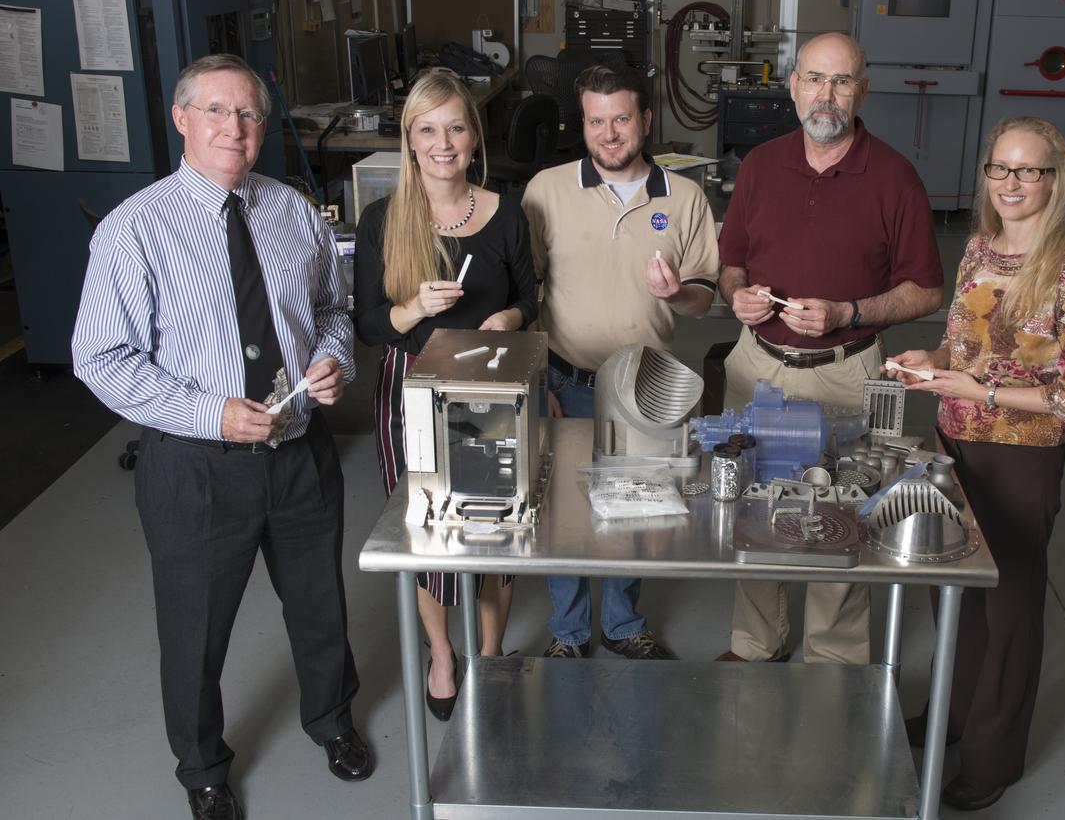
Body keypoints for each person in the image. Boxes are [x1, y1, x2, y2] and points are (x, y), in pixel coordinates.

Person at [71, 54, 370, 820]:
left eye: (248, 115)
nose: (234, 130)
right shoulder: (134, 230)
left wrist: (331, 357)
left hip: (300, 453)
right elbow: (100, 359)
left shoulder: (293, 210)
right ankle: (202, 767)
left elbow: (334, 308)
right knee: (194, 628)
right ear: (181, 119)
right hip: (197, 469)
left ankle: (332, 722)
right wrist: (211, 412)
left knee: (318, 605)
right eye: (216, 112)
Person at [885, 116, 1065, 810]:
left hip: (1022, 458)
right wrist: (936, 363)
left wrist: (977, 388)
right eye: (999, 169)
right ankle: (953, 716)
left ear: (1054, 180)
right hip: (954, 443)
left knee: (1009, 610)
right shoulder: (980, 248)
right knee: (953, 593)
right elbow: (963, 341)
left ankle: (992, 758)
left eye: (1028, 171)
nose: (1011, 183)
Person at [717, 32, 944, 666]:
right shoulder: (761, 166)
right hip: (759, 363)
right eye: (815, 79)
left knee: (842, 514)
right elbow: (730, 264)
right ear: (792, 86)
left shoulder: (894, 177)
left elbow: (926, 290)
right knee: (751, 506)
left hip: (847, 372)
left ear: (862, 91)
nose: (827, 95)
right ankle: (755, 643)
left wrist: (850, 312)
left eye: (841, 82)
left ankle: (834, 657)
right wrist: (737, 297)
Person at [353, 71, 537, 721]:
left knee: (494, 534)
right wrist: (410, 310)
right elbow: (367, 323)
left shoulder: (504, 212)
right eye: (427, 129)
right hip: (411, 392)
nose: (443, 142)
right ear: (409, 139)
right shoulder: (383, 220)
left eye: (456, 127)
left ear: (474, 135)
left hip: (488, 390)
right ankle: (441, 654)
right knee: (427, 530)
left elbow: (528, 300)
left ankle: (489, 654)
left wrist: (506, 322)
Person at [522, 61, 719, 660]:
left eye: (622, 119)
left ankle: (625, 624)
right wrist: (536, 381)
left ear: (646, 120)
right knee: (562, 513)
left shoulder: (684, 197)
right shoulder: (546, 191)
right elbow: (525, 292)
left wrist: (674, 293)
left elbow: (705, 299)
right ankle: (570, 633)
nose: (609, 134)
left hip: (644, 387)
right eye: (595, 121)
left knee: (639, 505)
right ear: (581, 124)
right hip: (566, 375)